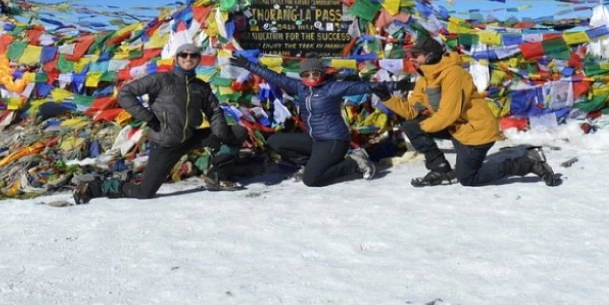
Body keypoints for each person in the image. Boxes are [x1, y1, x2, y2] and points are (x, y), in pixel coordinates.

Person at [377, 35, 560, 187]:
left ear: (431, 56)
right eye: (411, 54)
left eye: (416, 54)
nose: (412, 58)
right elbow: (412, 111)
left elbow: (449, 113)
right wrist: (386, 97)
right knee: (411, 125)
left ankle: (528, 164)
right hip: (457, 129)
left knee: (468, 178)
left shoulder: (453, 74)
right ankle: (441, 169)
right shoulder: (424, 79)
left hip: (476, 131)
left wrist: (423, 129)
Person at [73, 43, 240, 204]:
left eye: (193, 55)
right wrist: (148, 117)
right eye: (183, 54)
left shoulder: (200, 86)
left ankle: (217, 175)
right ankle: (94, 187)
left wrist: (217, 135)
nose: (188, 58)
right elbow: (125, 93)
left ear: (198, 59)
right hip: (165, 143)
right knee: (145, 192)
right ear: (176, 58)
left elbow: (215, 112)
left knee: (237, 132)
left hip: (189, 137)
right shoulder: (161, 79)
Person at [229, 53, 379, 186]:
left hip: (334, 141)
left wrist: (388, 86)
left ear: (322, 74)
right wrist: (248, 65)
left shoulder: (332, 87)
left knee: (312, 180)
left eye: (316, 73)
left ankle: (355, 163)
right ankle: (311, 165)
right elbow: (275, 77)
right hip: (316, 140)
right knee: (275, 141)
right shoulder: (302, 88)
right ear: (302, 76)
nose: (311, 77)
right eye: (307, 74)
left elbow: (363, 86)